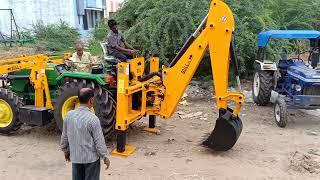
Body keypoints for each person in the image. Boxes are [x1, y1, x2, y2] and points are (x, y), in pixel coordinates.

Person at [60, 88, 110, 180]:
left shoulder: (69, 116)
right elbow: (99, 141)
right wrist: (105, 157)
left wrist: (66, 151)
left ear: (78, 99)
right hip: (91, 160)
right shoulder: (93, 119)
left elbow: (64, 137)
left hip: (76, 158)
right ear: (91, 100)